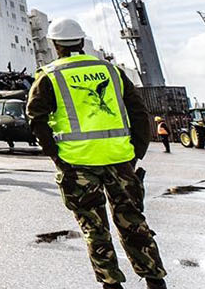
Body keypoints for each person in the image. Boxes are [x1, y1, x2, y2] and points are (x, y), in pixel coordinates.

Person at [27, 18, 168, 289]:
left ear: (55, 45)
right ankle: (155, 281)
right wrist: (136, 151)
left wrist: (56, 155)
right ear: (81, 41)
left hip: (77, 164)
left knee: (94, 229)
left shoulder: (49, 76)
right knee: (134, 223)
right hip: (120, 160)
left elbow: (36, 118)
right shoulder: (112, 71)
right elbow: (139, 112)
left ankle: (111, 284)